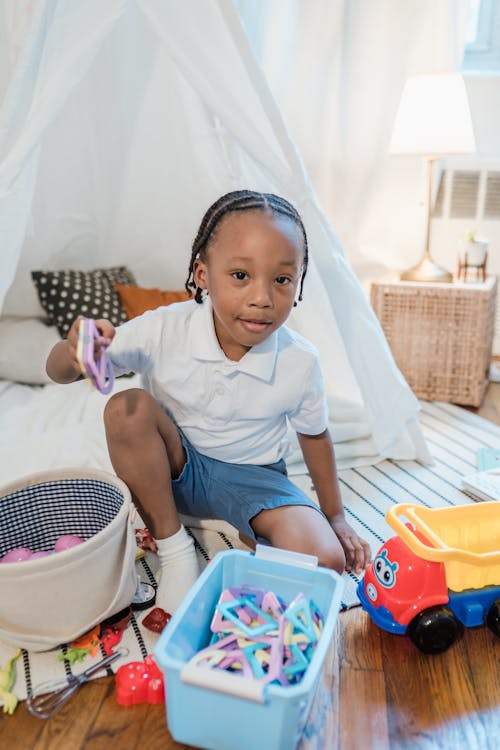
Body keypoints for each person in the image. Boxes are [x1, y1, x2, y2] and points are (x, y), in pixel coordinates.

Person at [46, 189, 371, 613]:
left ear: (298, 282)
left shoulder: (299, 361)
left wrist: (336, 516)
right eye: (240, 276)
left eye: (282, 279)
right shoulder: (164, 329)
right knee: (126, 407)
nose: (262, 298)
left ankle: (248, 535)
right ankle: (175, 545)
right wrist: (73, 350)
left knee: (327, 559)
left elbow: (315, 436)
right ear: (203, 274)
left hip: (255, 479)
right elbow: (60, 373)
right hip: (176, 468)